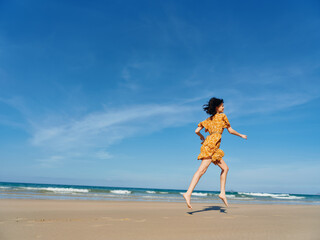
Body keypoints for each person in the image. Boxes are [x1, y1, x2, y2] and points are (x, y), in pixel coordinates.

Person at [183, 97, 247, 209]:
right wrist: (241, 135)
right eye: (222, 106)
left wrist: (202, 136)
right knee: (202, 170)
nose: (224, 107)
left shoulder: (208, 120)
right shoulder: (222, 116)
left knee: (225, 168)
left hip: (212, 146)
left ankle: (222, 193)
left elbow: (196, 130)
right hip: (211, 146)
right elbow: (230, 130)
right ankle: (188, 193)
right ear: (217, 108)